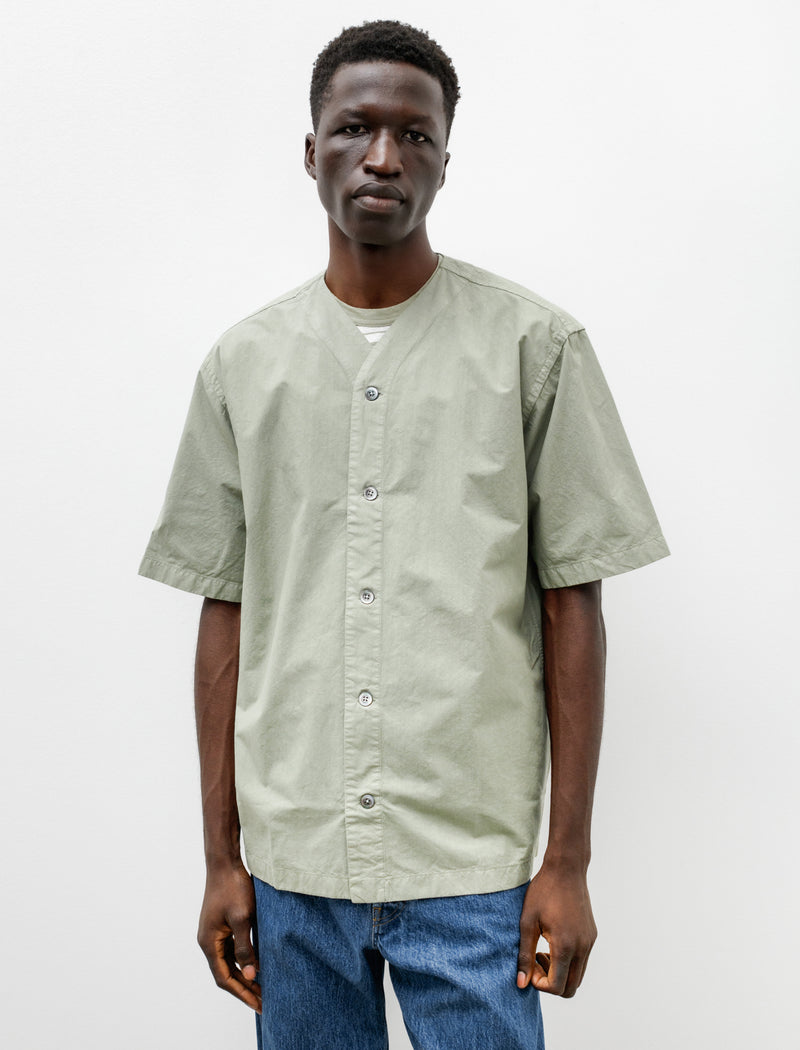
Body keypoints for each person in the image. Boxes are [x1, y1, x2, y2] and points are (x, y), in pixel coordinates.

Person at [139, 19, 669, 1050]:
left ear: (444, 161)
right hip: (293, 863)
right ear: (311, 151)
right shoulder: (243, 365)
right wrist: (221, 858)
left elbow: (573, 603)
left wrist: (566, 862)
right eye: (354, 128)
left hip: (469, 864)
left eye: (414, 135)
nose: (382, 156)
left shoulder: (535, 347)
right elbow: (225, 609)